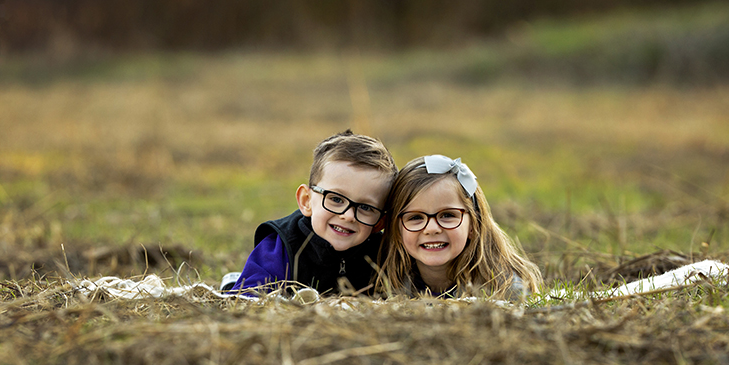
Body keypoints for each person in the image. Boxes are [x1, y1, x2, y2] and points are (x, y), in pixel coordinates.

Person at [224, 130, 398, 295]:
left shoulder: (383, 254)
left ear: (380, 222)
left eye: (366, 207)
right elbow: (251, 293)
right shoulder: (282, 245)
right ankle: (233, 280)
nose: (348, 215)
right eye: (336, 199)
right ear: (306, 201)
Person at [378, 155, 542, 301]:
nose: (432, 229)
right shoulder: (382, 283)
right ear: (397, 230)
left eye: (447, 215)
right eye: (415, 217)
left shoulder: (505, 289)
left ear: (473, 225)